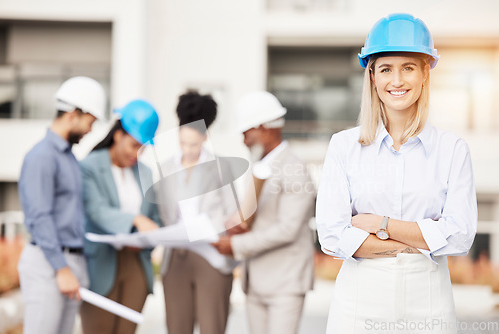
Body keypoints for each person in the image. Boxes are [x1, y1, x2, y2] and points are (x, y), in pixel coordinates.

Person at [316, 13, 477, 334]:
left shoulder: (452, 149)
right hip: (358, 304)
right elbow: (332, 236)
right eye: (386, 69)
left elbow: (459, 236)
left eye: (408, 68)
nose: (397, 80)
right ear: (372, 76)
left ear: (425, 74)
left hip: (429, 303)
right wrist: (423, 239)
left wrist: (380, 224)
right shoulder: (344, 146)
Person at [212, 91, 315, 334]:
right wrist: (238, 224)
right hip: (256, 280)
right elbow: (254, 219)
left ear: (263, 127)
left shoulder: (294, 168)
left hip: (285, 282)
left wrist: (236, 246)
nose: (243, 140)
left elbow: (287, 230)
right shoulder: (259, 165)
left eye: (246, 133)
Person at [17, 76, 106, 334]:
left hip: (68, 263)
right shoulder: (42, 156)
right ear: (73, 114)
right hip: (50, 264)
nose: (91, 129)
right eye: (90, 122)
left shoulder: (69, 158)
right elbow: (39, 217)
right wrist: (61, 268)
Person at [157, 91, 237, 334]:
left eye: (194, 144)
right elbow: (162, 214)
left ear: (205, 137)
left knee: (212, 326)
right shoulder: (165, 168)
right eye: (183, 143)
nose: (188, 150)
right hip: (176, 257)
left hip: (211, 255)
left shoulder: (222, 167)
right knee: (176, 327)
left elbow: (233, 213)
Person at [79, 99, 161, 334]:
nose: (138, 153)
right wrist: (135, 221)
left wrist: (148, 238)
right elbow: (96, 211)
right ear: (118, 135)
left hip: (136, 264)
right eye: (134, 145)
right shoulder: (89, 167)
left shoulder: (145, 173)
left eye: (143, 147)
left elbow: (154, 217)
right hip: (101, 264)